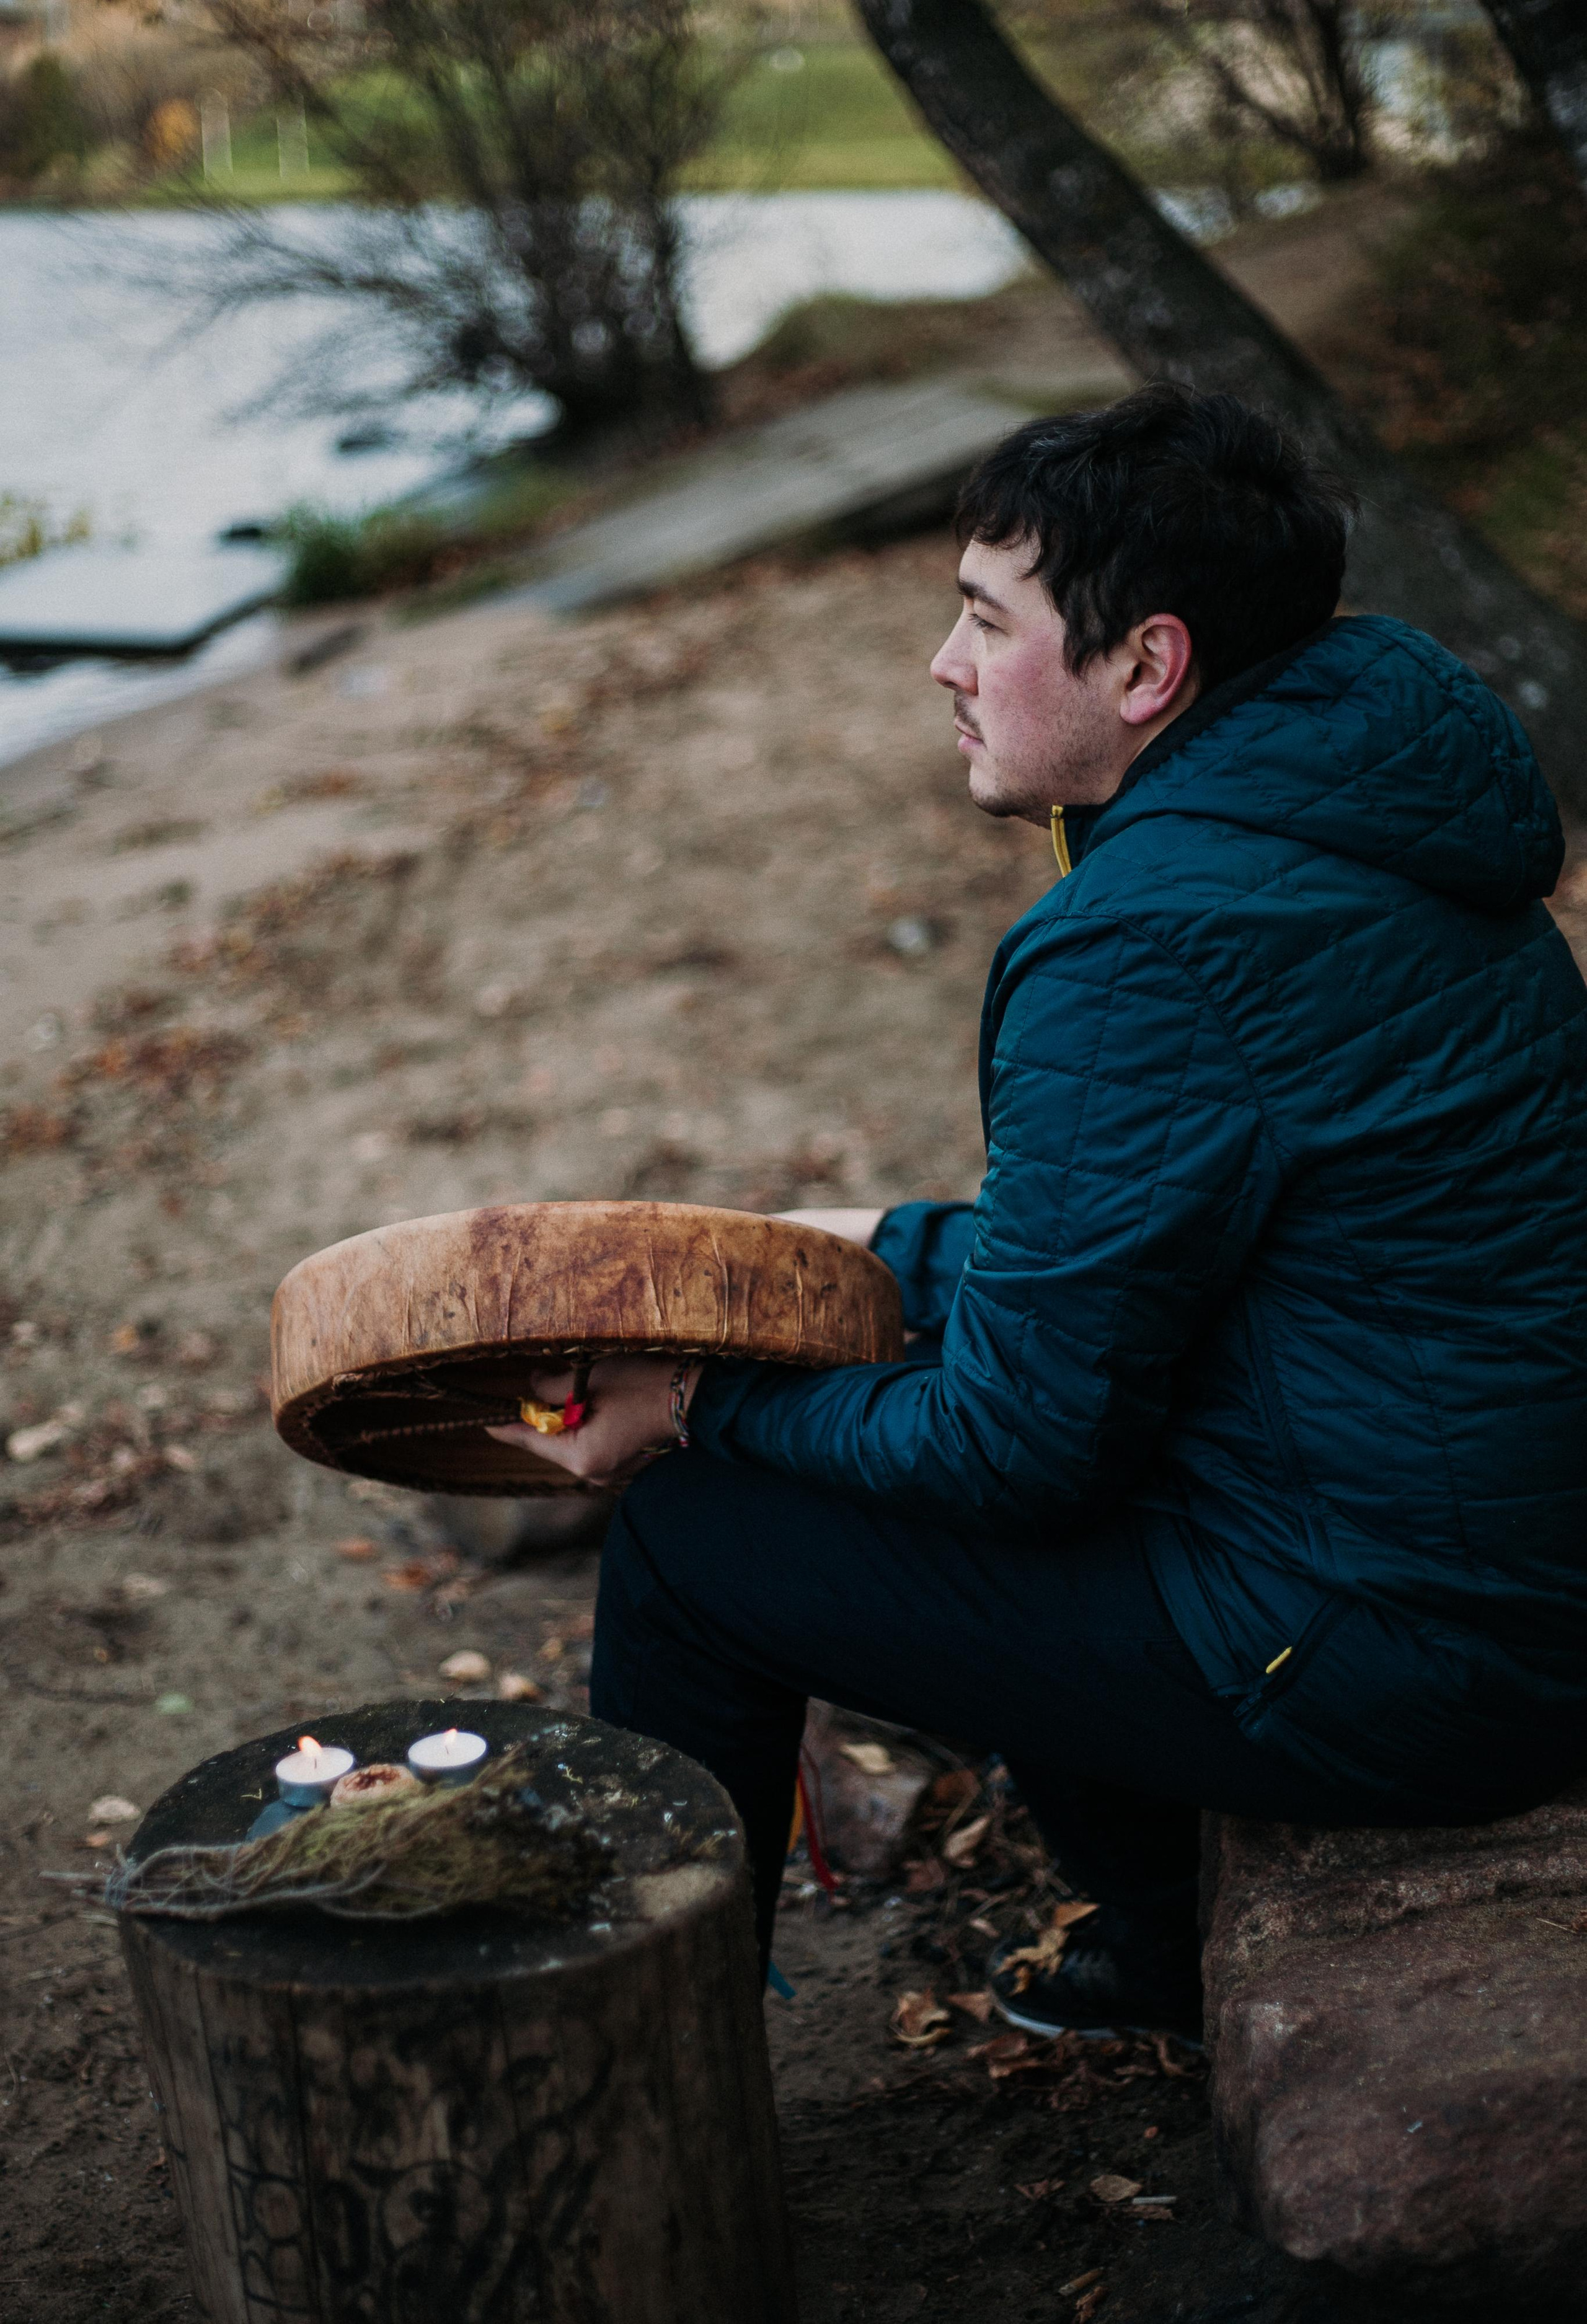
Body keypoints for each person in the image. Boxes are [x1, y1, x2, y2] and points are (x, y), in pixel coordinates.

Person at [490, 384, 1587, 2039]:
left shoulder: (1148, 939)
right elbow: (1192, 1234)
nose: (944, 662)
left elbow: (1022, 1453)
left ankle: (623, 2061)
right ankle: (1150, 1943)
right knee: (981, 1372)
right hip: (1491, 1563)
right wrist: (877, 1247)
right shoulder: (1362, 806)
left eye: (986, 620)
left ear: (1146, 668)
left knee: (693, 1540)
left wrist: (696, 1407)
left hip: (1412, 1656)